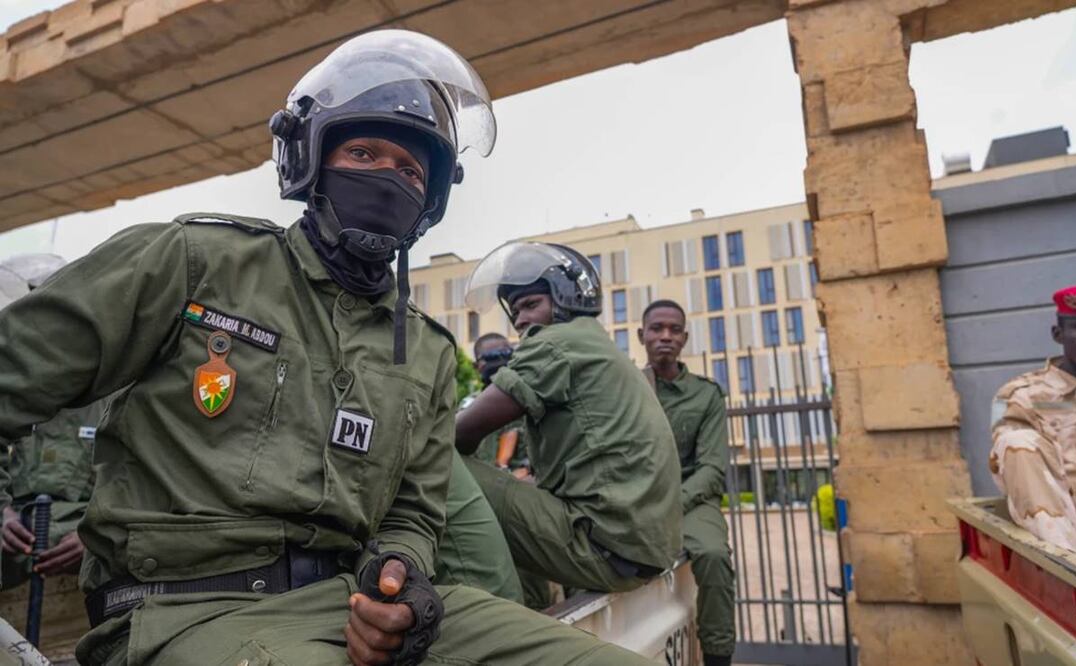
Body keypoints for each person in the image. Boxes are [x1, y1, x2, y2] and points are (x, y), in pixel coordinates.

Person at [0, 30, 653, 666]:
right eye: (365, 154)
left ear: (430, 200)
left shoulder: (423, 352)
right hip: (180, 611)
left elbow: (412, 514)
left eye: (409, 169)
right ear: (310, 159)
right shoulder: (192, 262)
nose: (388, 178)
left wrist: (397, 582)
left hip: (344, 606)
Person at [455, 241, 683, 609]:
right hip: (637, 550)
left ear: (564, 300)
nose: (521, 321)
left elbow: (459, 434)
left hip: (603, 548)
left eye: (531, 305)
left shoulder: (556, 344)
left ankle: (495, 626)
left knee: (438, 465)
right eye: (515, 313)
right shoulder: (595, 343)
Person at [0, 255, 110, 588]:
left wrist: (96, 535)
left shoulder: (115, 389)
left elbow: (139, 480)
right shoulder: (10, 386)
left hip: (84, 528)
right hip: (15, 526)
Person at [638, 299, 736, 666]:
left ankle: (717, 656)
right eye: (656, 328)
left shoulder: (706, 394)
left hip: (692, 500)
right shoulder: (628, 387)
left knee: (712, 555)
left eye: (674, 329)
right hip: (638, 499)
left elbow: (712, 468)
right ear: (641, 336)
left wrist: (671, 504)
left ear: (684, 337)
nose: (665, 336)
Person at [990, 284, 1076, 553]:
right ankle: (1069, 568)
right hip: (1066, 521)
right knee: (1015, 442)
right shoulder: (1018, 395)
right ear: (1058, 334)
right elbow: (1008, 464)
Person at [468, 333, 529, 475]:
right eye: (491, 357)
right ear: (477, 366)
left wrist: (526, 469)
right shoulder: (469, 408)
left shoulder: (529, 401)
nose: (500, 360)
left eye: (506, 353)